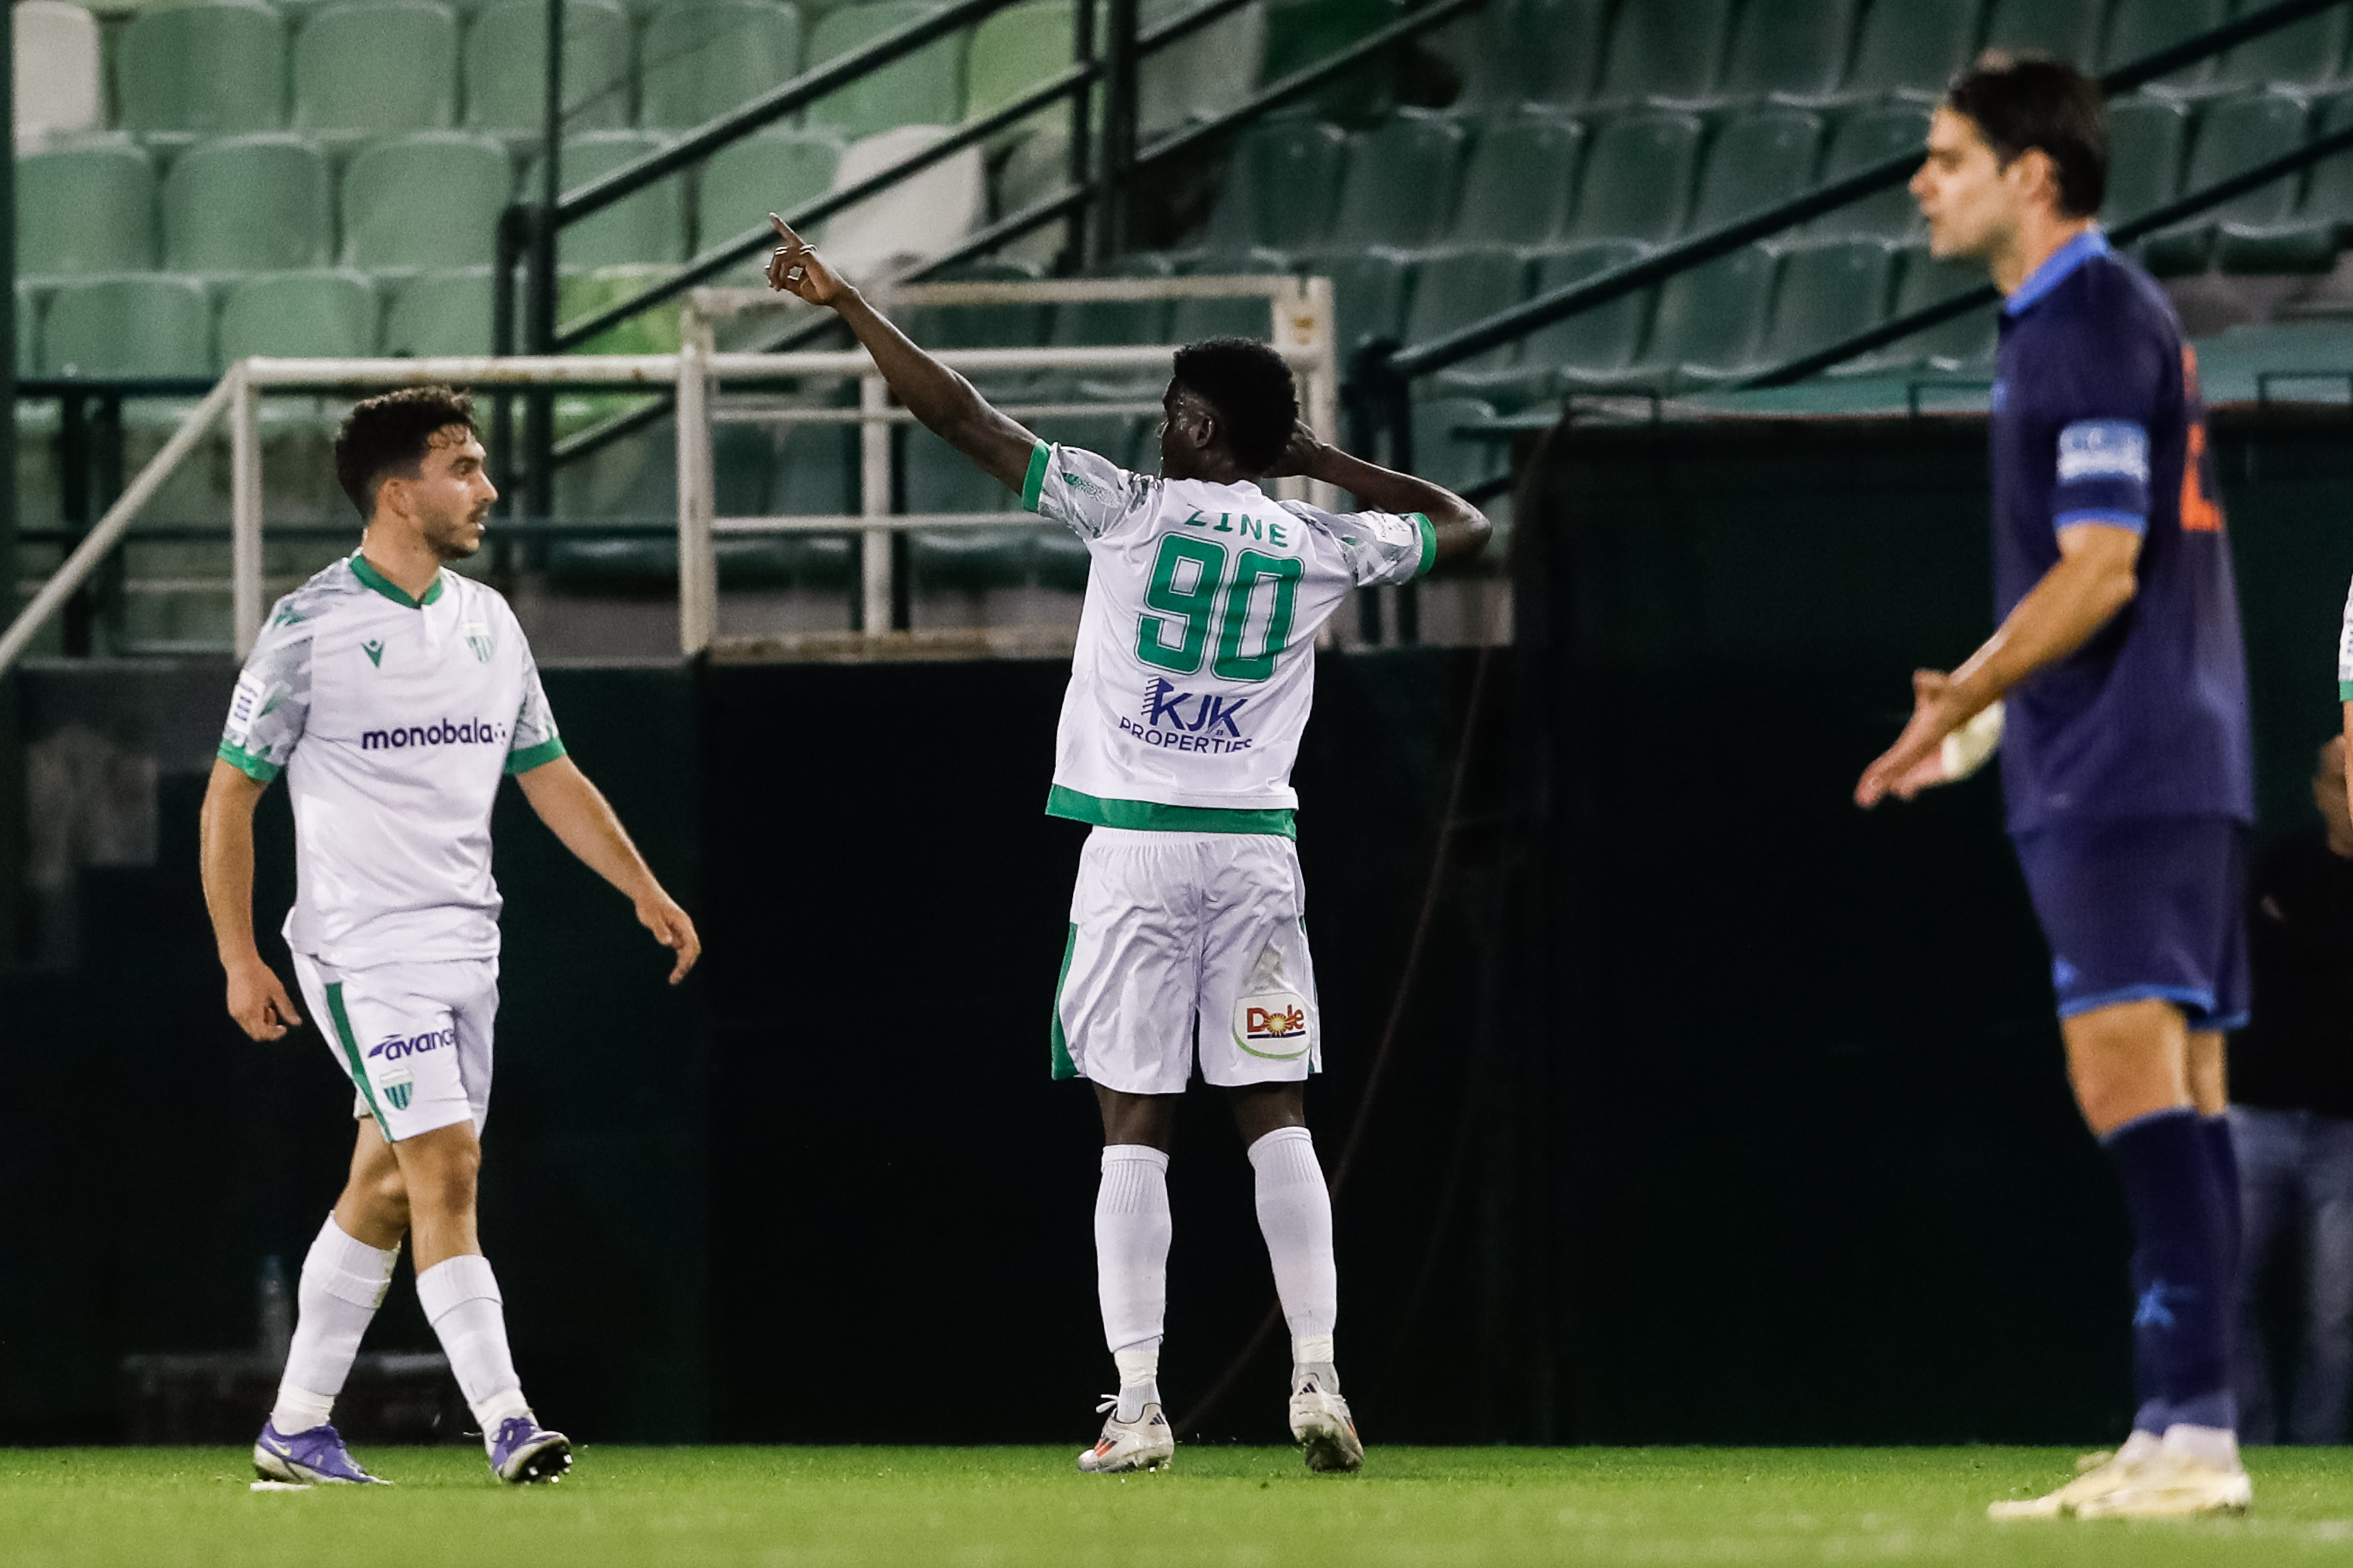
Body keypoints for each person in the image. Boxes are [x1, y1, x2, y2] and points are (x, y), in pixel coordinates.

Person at [763, 215, 1486, 1474]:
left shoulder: (1130, 510)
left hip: (1139, 850)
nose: (1158, 421)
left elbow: (966, 419)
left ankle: (1141, 1404)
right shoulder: (1318, 542)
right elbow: (1463, 522)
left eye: (1174, 407)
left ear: (1202, 429)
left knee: (1133, 1129)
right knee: (1278, 1120)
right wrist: (1322, 461)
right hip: (1257, 851)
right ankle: (1318, 1378)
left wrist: (851, 306)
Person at [1852, 54, 2254, 1520]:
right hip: (2170, 753)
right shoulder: (2082, 316)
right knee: (2188, 1093)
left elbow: (2099, 569)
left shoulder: (2082, 316)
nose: (1922, 182)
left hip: (2123, 764)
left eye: (1946, 156)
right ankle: (2178, 1426)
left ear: (2032, 175)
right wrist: (1965, 717)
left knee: (2130, 1079)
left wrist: (1971, 695)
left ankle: (2195, 1434)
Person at [199, 387, 702, 1486]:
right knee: (449, 1163)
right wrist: (243, 955)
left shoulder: (489, 620)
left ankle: (294, 1426)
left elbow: (549, 772)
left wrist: (642, 886)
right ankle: (509, 1419)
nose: (485, 487)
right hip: (359, 948)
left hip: (466, 948)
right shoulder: (310, 630)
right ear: (398, 492)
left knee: (384, 1184)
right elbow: (229, 798)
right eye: (463, 466)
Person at [2230, 737, 2353, 1442]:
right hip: (2257, 1119)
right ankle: (2251, 1446)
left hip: (2345, 1131)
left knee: (2335, 1317)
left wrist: (2303, 944)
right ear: (2316, 789)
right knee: (2226, 1290)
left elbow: (2297, 954)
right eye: (2339, 779)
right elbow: (2254, 954)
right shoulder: (2279, 866)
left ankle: (2319, 1457)